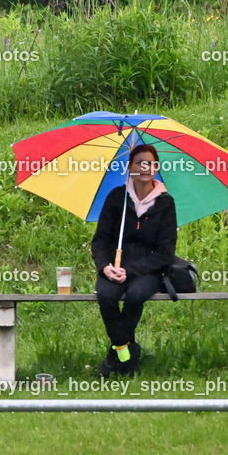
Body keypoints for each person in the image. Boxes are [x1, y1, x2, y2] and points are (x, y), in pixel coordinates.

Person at [91, 144, 177, 377]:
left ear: (156, 168)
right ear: (130, 167)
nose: (145, 167)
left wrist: (131, 270)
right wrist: (105, 267)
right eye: (140, 162)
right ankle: (126, 350)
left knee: (137, 295)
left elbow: (165, 252)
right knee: (106, 295)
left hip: (147, 271)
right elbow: (100, 240)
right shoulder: (117, 197)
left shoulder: (166, 203)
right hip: (114, 267)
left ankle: (115, 355)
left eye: (150, 163)